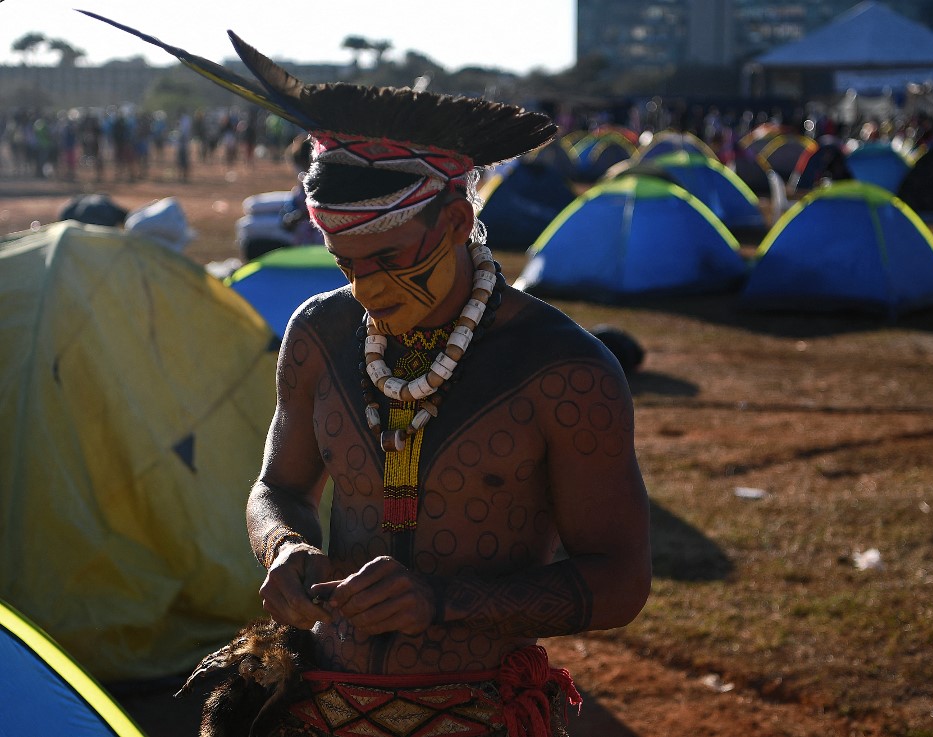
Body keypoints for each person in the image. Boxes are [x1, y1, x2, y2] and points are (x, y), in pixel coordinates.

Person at [83, 12, 651, 737]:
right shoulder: (320, 334)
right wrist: (285, 548)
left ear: (452, 221)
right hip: (318, 704)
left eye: (389, 260)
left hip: (479, 710)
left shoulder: (561, 372)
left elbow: (621, 580)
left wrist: (444, 601)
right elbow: (276, 488)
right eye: (346, 264)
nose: (368, 288)